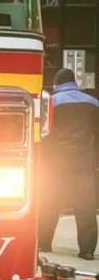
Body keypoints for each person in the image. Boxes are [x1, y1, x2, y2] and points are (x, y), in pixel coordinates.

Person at [39, 68, 99, 260]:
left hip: (55, 164)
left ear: (56, 84)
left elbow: (44, 134)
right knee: (86, 208)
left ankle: (44, 243)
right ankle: (87, 250)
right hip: (84, 164)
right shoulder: (93, 103)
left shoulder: (51, 103)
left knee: (49, 204)